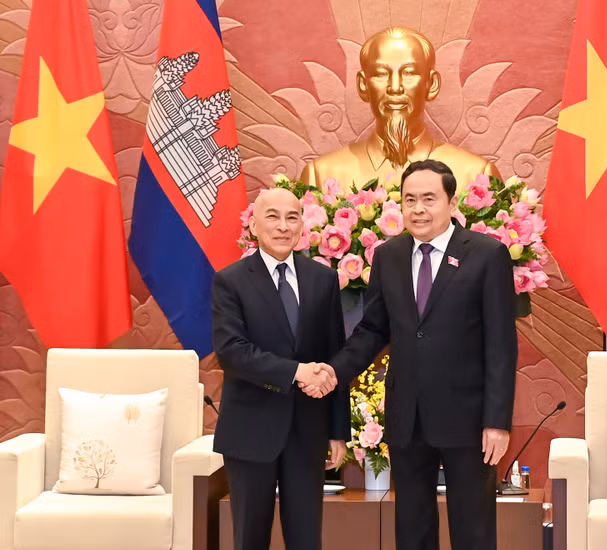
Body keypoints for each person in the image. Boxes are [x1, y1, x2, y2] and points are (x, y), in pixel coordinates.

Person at [328, 159, 518, 549]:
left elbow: (501, 344)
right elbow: (373, 330)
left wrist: (496, 421)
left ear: (451, 203)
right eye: (409, 199)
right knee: (412, 529)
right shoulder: (388, 256)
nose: (418, 209)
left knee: (473, 529)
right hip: (407, 416)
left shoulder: (486, 255)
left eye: (429, 199)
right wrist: (332, 372)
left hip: (469, 419)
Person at [211, 188, 349, 550]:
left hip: (307, 431)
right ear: (254, 224)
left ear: (303, 224)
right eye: (272, 216)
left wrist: (338, 430)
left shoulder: (323, 279)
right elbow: (231, 352)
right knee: (250, 538)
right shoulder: (231, 281)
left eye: (292, 217)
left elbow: (335, 355)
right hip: (250, 431)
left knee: (306, 538)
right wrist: (297, 372)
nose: (283, 226)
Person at [300, 26, 501, 194]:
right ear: (363, 85)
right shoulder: (320, 176)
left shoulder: (476, 176)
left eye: (409, 73)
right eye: (380, 74)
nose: (394, 87)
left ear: (431, 84)